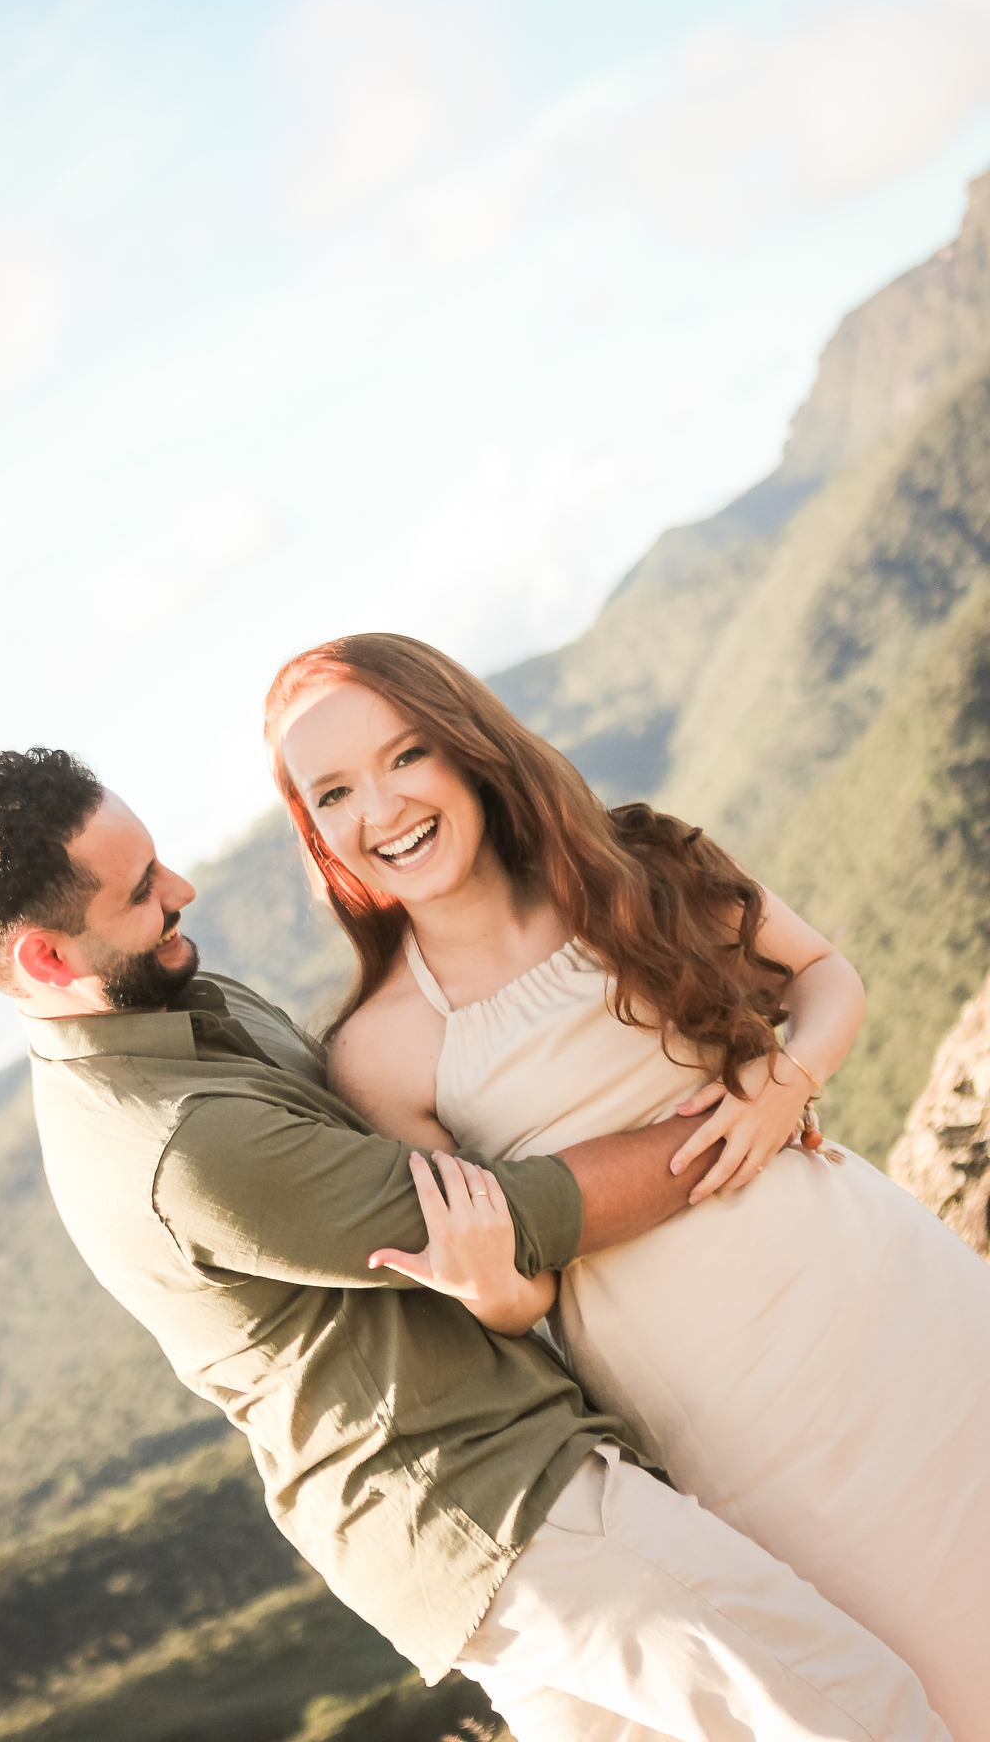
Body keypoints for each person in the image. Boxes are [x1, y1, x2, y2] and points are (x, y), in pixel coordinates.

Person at [0, 747, 949, 1741]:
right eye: (139, 893)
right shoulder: (181, 1143)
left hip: (482, 1513)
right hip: (501, 1503)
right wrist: (749, 1110)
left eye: (157, 860)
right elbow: (513, 1216)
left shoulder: (186, 1003)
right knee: (861, 1711)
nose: (182, 889)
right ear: (45, 957)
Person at [264, 630, 990, 1742]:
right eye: (334, 793)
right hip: (726, 1415)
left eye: (406, 755)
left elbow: (824, 975)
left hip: (894, 1302)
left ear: (468, 746)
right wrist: (499, 1296)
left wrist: (789, 1078)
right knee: (933, 1681)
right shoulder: (381, 1050)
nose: (383, 807)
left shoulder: (635, 867)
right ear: (315, 830)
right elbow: (514, 1295)